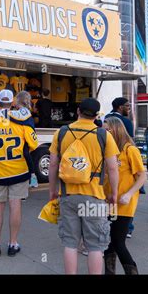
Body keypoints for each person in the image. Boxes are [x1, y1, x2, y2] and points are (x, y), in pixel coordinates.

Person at [48, 98, 120, 274]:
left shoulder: (62, 132)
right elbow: (112, 168)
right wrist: (114, 194)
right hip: (94, 197)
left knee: (70, 243)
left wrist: (52, 191)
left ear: (78, 111)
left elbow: (52, 164)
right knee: (95, 246)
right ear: (96, 116)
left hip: (68, 196)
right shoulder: (104, 135)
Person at [0, 89, 38, 257]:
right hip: (19, 170)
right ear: (12, 102)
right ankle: (13, 244)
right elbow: (33, 144)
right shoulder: (21, 120)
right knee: (15, 205)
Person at [103, 117, 146, 275]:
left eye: (107, 129)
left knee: (118, 242)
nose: (104, 132)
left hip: (124, 203)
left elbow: (142, 176)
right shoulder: (106, 150)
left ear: (116, 130)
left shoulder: (129, 149)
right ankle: (110, 272)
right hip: (108, 201)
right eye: (103, 129)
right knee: (107, 241)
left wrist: (129, 194)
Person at [104, 97, 138, 237]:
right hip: (123, 175)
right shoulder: (125, 123)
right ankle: (127, 228)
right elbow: (129, 138)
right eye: (127, 105)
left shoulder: (106, 118)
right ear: (119, 107)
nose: (129, 107)